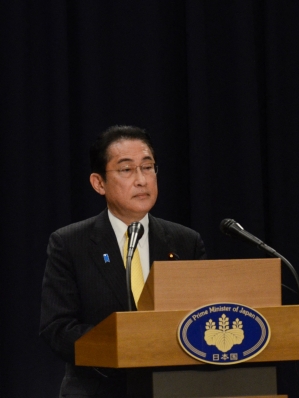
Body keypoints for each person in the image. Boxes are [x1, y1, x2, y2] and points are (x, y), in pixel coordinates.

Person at [40, 125, 207, 397]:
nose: (141, 180)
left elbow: (199, 319)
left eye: (148, 167)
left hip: (173, 388)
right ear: (99, 183)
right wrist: (124, 345)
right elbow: (57, 329)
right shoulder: (70, 243)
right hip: (99, 389)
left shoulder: (185, 242)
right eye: (126, 170)